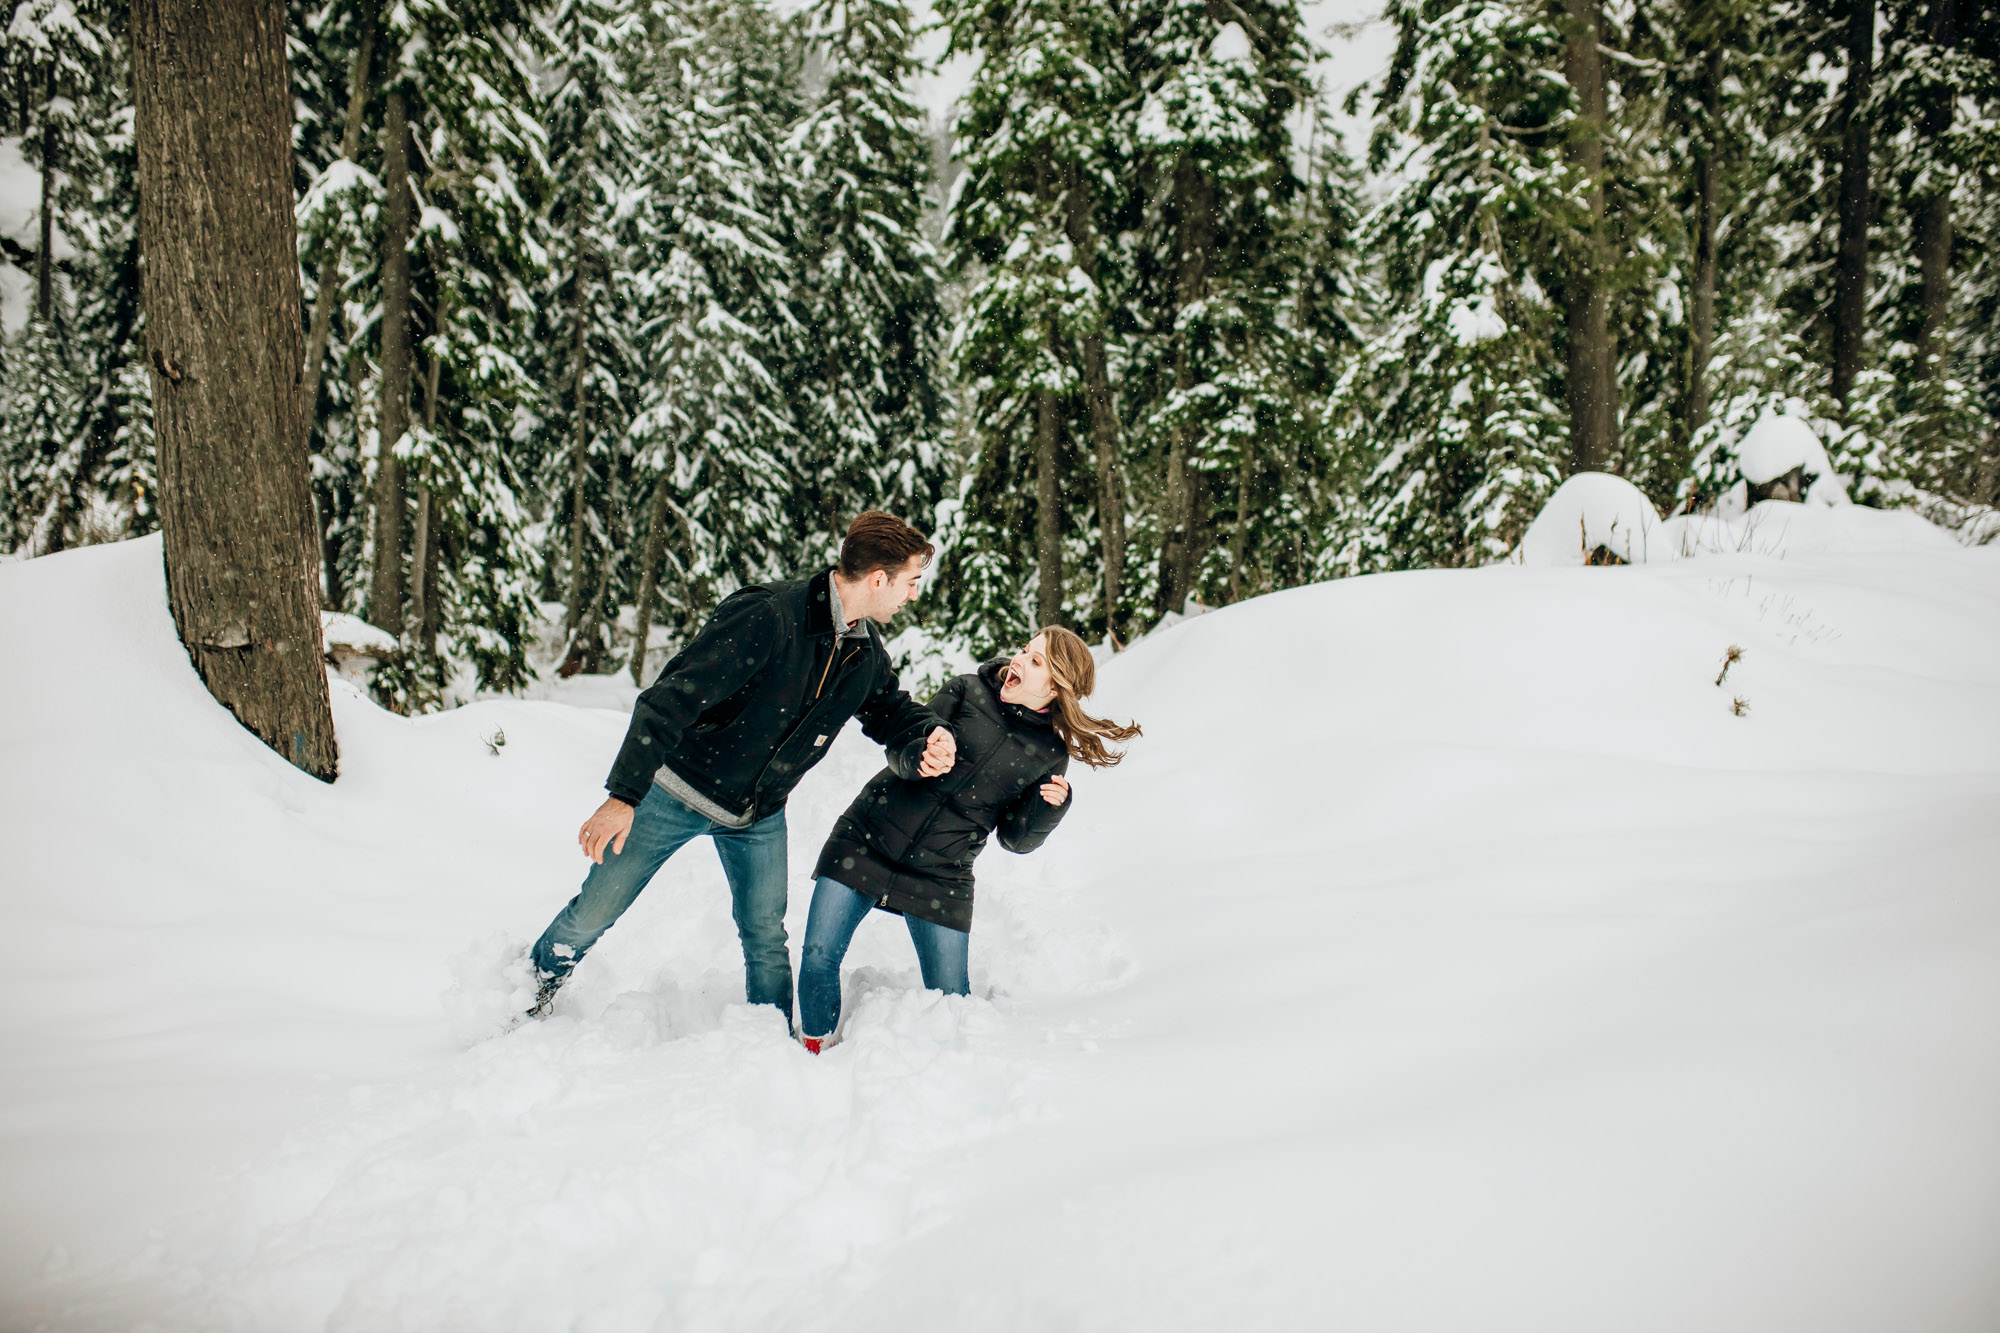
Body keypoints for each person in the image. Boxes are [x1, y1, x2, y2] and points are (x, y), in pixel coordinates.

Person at [527, 512, 957, 1023]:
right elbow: (667, 701)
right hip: (676, 791)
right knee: (593, 913)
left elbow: (889, 710)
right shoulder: (769, 616)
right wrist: (623, 797)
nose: (911, 595)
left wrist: (928, 735)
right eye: (910, 582)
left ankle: (767, 1040)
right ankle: (522, 998)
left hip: (757, 814)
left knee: (766, 937)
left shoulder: (862, 652)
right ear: (879, 578)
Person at [795, 626, 1141, 1051]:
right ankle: (813, 1049)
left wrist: (1049, 811)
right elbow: (905, 744)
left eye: (1035, 661)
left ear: (1055, 686)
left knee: (952, 1002)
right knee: (818, 956)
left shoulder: (1050, 753)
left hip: (941, 875)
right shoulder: (967, 691)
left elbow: (1016, 839)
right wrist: (919, 754)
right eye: (1023, 649)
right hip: (867, 838)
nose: (1018, 660)